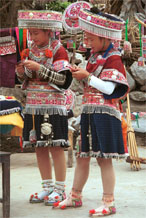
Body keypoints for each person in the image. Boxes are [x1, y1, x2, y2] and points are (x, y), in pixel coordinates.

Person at [53, 7, 129, 216]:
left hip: (105, 113)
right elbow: (91, 80)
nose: (88, 43)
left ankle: (109, 202)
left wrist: (87, 76)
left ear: (105, 38)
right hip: (88, 111)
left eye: (92, 38)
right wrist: (81, 74)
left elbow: (110, 89)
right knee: (82, 155)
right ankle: (75, 196)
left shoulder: (113, 58)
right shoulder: (95, 56)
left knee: (103, 158)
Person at [16, 9, 72, 206]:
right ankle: (47, 187)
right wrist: (23, 72)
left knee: (56, 146)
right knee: (39, 147)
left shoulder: (58, 49)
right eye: (30, 33)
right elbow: (25, 79)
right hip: (33, 105)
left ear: (49, 31)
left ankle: (61, 188)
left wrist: (39, 68)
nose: (32, 37)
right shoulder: (30, 49)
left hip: (53, 105)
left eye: (36, 33)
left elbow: (64, 80)